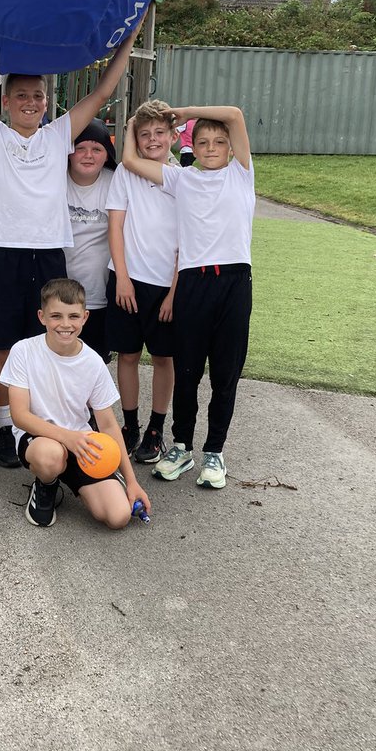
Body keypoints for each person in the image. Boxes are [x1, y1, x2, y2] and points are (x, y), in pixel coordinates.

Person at [0, 0, 144, 470]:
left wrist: (129, 37)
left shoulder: (60, 133)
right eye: (21, 95)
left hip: (48, 256)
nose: (30, 102)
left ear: (46, 102)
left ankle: (32, 423)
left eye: (37, 96)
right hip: (2, 251)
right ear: (6, 99)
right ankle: (5, 423)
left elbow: (104, 89)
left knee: (38, 339)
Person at [121, 106, 254, 490]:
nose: (211, 148)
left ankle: (215, 452)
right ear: (189, 146)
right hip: (193, 283)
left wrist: (184, 112)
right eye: (202, 142)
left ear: (231, 148)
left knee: (225, 371)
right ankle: (181, 446)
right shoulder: (181, 180)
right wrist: (133, 122)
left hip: (233, 281)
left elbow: (234, 114)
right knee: (187, 371)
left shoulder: (241, 175)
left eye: (219, 142)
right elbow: (130, 159)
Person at [0, 278, 151, 529]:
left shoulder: (93, 362)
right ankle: (46, 485)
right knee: (50, 456)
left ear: (85, 317)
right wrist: (67, 438)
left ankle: (85, 478)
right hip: (39, 439)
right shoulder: (23, 351)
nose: (65, 324)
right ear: (42, 316)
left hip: (81, 443)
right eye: (56, 316)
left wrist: (132, 481)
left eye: (73, 316)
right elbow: (20, 416)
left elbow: (109, 425)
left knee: (118, 517)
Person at [105, 98, 179, 466]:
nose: (152, 140)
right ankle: (130, 424)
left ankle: (155, 428)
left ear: (173, 136)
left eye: (160, 133)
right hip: (128, 280)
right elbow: (115, 226)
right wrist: (121, 277)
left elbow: (189, 243)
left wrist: (174, 292)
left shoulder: (184, 177)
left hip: (166, 286)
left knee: (164, 358)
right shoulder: (125, 173)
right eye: (144, 134)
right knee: (129, 354)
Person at [64, 118, 117, 363]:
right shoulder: (54, 181)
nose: (88, 155)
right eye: (80, 148)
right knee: (59, 355)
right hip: (58, 288)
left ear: (107, 155)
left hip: (98, 290)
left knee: (95, 360)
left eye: (97, 149)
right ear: (68, 153)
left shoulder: (116, 182)